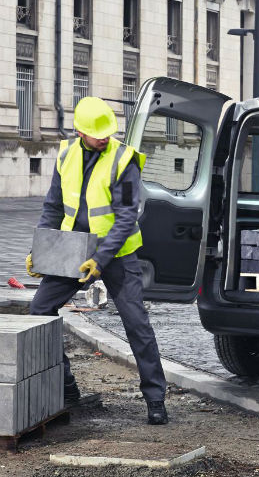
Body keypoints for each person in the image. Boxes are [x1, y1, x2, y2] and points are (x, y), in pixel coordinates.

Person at [25, 97, 169, 423]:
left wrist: (101, 259)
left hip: (117, 253)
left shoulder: (124, 160)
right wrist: (40, 250)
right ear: (80, 131)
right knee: (39, 310)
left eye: (107, 133)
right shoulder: (65, 155)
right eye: (97, 134)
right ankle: (67, 387)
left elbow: (126, 217)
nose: (104, 138)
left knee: (137, 325)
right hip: (72, 248)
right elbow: (53, 207)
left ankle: (156, 400)